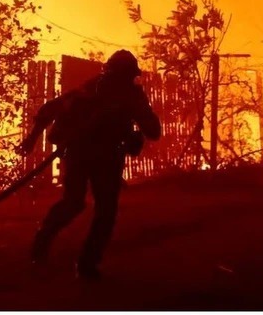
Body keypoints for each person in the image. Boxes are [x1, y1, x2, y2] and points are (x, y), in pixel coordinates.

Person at [17, 50, 161, 280]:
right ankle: (82, 262)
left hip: (89, 155)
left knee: (83, 204)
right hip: (93, 155)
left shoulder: (95, 88)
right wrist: (137, 130)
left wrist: (32, 139)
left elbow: (50, 110)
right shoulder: (121, 94)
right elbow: (153, 131)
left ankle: (63, 251)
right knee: (99, 209)